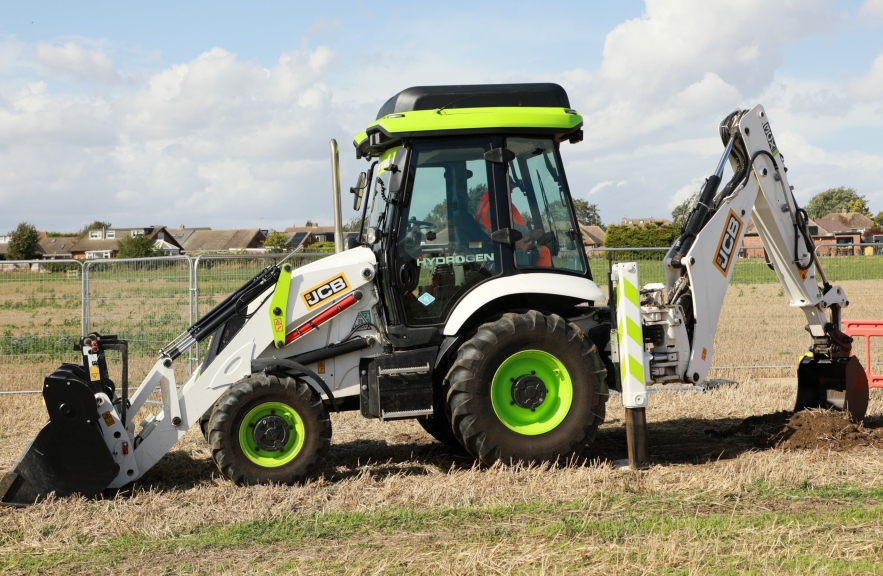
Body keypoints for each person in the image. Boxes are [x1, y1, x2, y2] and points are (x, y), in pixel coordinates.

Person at [475, 190, 551, 267]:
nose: (511, 191)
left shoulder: (490, 202)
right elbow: (505, 228)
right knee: (544, 252)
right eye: (510, 187)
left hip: (497, 243)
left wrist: (527, 236)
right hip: (500, 246)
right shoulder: (494, 204)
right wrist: (529, 232)